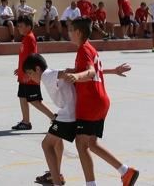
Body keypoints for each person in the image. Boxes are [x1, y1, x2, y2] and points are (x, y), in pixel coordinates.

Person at [23, 53, 132, 186]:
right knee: (61, 143)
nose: (30, 77)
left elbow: (73, 74)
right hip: (76, 114)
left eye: (30, 73)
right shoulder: (52, 74)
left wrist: (70, 73)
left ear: (37, 69)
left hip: (67, 117)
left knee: (46, 145)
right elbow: (82, 73)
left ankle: (56, 181)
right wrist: (112, 71)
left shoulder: (46, 75)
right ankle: (57, 175)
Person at [63, 18, 140, 186]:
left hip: (90, 103)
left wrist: (76, 76)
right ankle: (126, 172)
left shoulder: (83, 50)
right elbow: (95, 70)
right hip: (101, 101)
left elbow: (90, 72)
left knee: (81, 144)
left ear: (78, 32)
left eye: (70, 30)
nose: (68, 33)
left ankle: (92, 184)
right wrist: (113, 70)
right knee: (91, 143)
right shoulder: (89, 48)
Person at [12, 16, 54, 131]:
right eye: (18, 26)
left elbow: (32, 57)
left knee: (34, 100)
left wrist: (27, 73)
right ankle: (26, 122)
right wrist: (20, 68)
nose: (18, 28)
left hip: (29, 76)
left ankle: (54, 118)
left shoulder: (30, 38)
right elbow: (25, 57)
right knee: (22, 97)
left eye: (21, 26)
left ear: (29, 27)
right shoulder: (26, 38)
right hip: (24, 74)